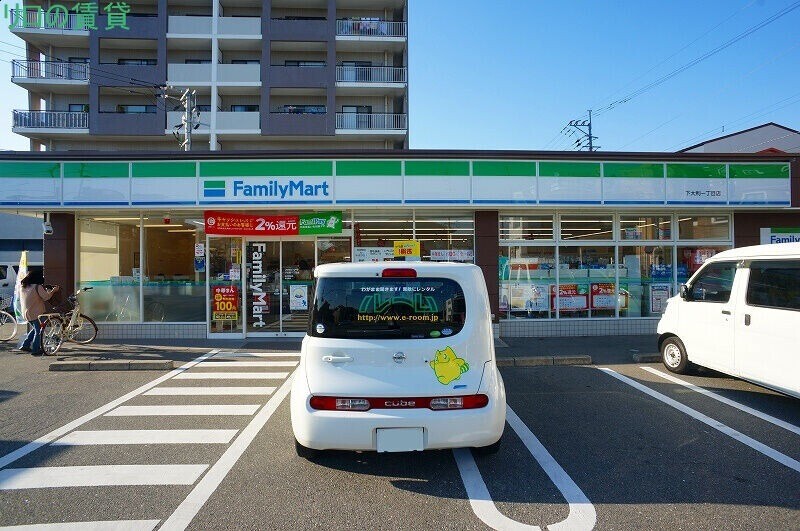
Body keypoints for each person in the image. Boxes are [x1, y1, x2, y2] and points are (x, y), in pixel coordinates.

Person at [17, 271, 59, 356]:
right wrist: (53, 291)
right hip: (37, 313)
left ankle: (25, 345)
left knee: (35, 329)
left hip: (26, 313)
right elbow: (46, 297)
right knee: (38, 331)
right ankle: (36, 349)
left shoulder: (23, 286)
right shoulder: (37, 286)